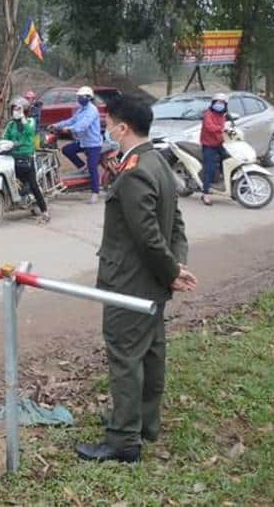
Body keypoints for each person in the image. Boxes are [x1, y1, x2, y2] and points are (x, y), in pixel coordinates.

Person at [76, 95, 196, 464]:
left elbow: (148, 236)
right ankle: (145, 423)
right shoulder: (156, 161)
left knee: (126, 357)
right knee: (151, 352)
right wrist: (175, 267)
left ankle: (124, 440)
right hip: (153, 281)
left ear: (123, 128)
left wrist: (172, 271)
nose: (106, 130)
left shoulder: (135, 171)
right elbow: (175, 223)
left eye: (108, 124)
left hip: (129, 282)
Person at [51, 85, 104, 203]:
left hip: (93, 144)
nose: (79, 99)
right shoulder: (81, 110)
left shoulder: (92, 111)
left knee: (92, 167)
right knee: (67, 150)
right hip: (83, 142)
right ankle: (82, 167)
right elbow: (71, 120)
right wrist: (56, 125)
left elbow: (82, 125)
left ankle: (95, 192)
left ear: (88, 97)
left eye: (81, 97)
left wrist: (69, 129)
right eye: (78, 97)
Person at [4, 98, 50, 223]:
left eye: (18, 109)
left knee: (33, 185)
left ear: (25, 110)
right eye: (14, 109)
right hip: (12, 157)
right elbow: (5, 138)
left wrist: (23, 119)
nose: (15, 111)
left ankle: (45, 212)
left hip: (26, 158)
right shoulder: (11, 124)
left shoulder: (30, 121)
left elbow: (30, 132)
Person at [200, 93, 229, 206]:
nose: (220, 105)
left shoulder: (223, 115)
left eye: (222, 103)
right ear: (213, 103)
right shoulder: (208, 114)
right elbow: (210, 127)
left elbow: (227, 127)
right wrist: (222, 129)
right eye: (218, 102)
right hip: (209, 145)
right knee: (209, 169)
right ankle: (205, 194)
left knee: (228, 161)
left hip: (219, 144)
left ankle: (226, 184)